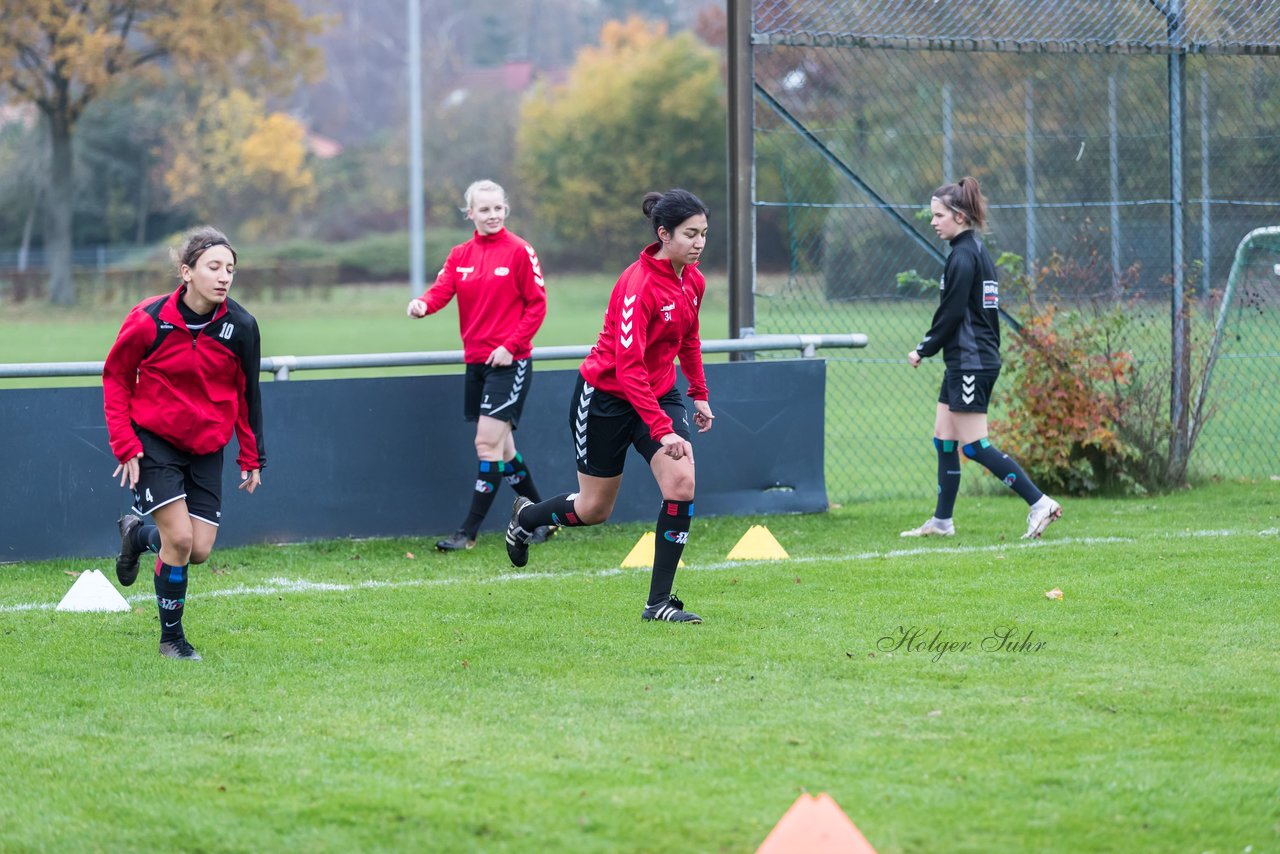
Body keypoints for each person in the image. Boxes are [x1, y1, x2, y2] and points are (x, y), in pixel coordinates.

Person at [504, 188, 715, 624]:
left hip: (659, 394)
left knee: (681, 484)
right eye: (690, 234)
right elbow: (628, 368)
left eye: (704, 234)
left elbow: (689, 339)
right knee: (594, 509)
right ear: (663, 233)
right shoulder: (637, 286)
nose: (699, 243)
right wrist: (662, 429)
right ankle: (527, 517)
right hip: (605, 397)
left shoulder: (693, 280)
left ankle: (658, 603)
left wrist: (698, 392)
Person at [104, 226, 265, 661]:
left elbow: (248, 394)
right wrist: (125, 442)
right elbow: (116, 377)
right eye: (214, 267)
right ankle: (171, 640)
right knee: (178, 541)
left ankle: (137, 534)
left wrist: (252, 455)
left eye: (230, 268)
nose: (224, 276)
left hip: (207, 447)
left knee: (198, 550)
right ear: (186, 271)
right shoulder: (148, 319)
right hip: (154, 442)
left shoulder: (243, 326)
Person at [903, 176, 1062, 539]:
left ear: (959, 216)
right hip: (965, 360)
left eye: (939, 215)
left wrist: (924, 348)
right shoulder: (972, 248)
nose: (933, 222)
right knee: (944, 438)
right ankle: (942, 522)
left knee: (973, 446)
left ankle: (1040, 504)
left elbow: (952, 312)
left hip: (972, 362)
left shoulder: (963, 256)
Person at [406, 179, 554, 552]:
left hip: (510, 363)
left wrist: (511, 346)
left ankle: (467, 533)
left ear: (505, 209)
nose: (492, 215)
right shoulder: (460, 254)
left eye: (497, 208)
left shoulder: (520, 251)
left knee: (486, 445)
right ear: (470, 213)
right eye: (483, 209)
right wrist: (422, 304)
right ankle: (544, 521)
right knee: (504, 452)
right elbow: (442, 289)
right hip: (476, 364)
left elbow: (537, 304)